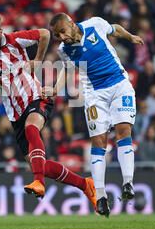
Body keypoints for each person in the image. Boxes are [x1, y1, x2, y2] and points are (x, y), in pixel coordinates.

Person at [0, 10, 98, 211]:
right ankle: (85, 184)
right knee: (41, 165)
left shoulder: (14, 40)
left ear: (0, 32)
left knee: (33, 129)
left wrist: (38, 60)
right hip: (15, 114)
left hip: (36, 97)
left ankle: (38, 183)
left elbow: (45, 34)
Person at [46, 13, 144, 217]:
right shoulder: (65, 49)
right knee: (99, 142)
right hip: (95, 95)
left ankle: (128, 183)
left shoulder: (94, 25)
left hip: (119, 85)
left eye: (63, 31)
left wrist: (130, 37)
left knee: (123, 131)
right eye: (57, 35)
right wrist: (56, 89)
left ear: (72, 24)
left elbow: (115, 28)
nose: (62, 37)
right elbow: (67, 69)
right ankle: (100, 197)